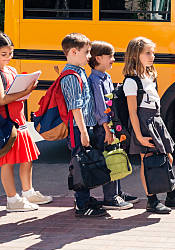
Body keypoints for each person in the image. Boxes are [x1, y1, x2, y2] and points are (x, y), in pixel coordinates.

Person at [123, 37, 175, 214]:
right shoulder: (131, 81)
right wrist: (139, 136)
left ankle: (171, 194)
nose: (152, 56)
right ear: (135, 55)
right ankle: (151, 200)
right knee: (148, 161)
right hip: (144, 124)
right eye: (147, 53)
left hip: (156, 120)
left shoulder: (151, 75)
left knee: (168, 157)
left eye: (152, 52)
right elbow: (132, 112)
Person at [0, 33, 52, 212]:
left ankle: (28, 192)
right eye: (4, 54)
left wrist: (27, 88)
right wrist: (24, 92)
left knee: (26, 158)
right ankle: (12, 199)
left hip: (18, 120)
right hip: (6, 124)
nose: (8, 57)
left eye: (10, 53)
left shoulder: (11, 71)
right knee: (7, 162)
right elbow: (2, 100)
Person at [60, 33, 108, 217]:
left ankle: (85, 198)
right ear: (73, 52)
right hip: (78, 128)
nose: (89, 56)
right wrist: (83, 132)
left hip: (84, 126)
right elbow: (75, 106)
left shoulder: (79, 71)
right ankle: (82, 205)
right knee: (80, 164)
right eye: (86, 52)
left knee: (85, 162)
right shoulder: (71, 76)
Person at [88, 41, 139, 210]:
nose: (113, 60)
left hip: (111, 125)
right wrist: (107, 129)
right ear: (98, 58)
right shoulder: (95, 80)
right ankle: (110, 197)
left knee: (116, 156)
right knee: (109, 160)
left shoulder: (106, 77)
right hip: (104, 128)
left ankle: (118, 192)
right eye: (110, 56)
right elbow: (100, 107)